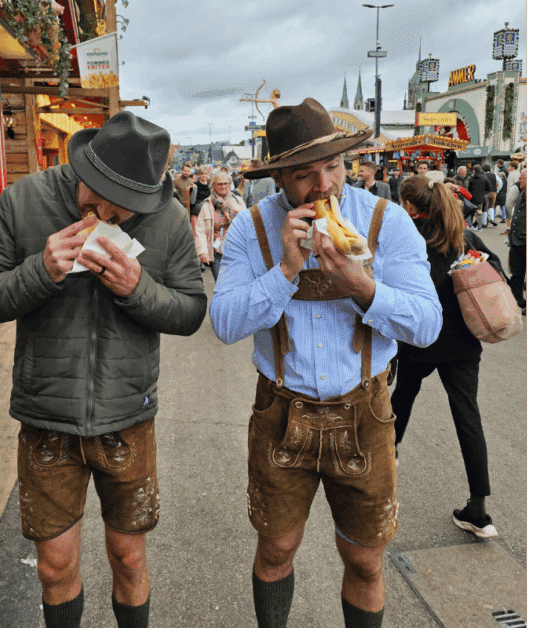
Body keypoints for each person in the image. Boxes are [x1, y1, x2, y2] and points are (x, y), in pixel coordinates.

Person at [0, 111, 208, 628]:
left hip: (128, 419)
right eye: (99, 195)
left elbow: (190, 311)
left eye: (125, 207)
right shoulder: (25, 201)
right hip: (47, 418)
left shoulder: (168, 219)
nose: (109, 213)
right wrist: (38, 272)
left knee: (129, 558)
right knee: (55, 566)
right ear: (83, 165)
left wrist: (139, 290)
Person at [209, 98, 442, 628]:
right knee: (275, 551)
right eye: (304, 175)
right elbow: (223, 323)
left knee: (364, 559)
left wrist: (365, 289)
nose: (324, 186)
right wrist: (286, 271)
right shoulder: (253, 229)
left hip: (365, 411)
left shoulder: (386, 222)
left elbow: (428, 325)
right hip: (280, 411)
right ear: (279, 180)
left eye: (333, 167)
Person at [390, 170, 508, 540]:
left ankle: (380, 483)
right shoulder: (464, 237)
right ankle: (480, 510)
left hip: (419, 344)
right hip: (463, 346)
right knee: (468, 418)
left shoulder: (407, 242)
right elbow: (498, 275)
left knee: (399, 404)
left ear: (408, 205)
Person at [195, 171, 247, 280]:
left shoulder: (238, 202)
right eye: (220, 184)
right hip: (217, 251)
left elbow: (246, 224)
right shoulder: (207, 205)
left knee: (236, 283)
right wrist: (203, 251)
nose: (223, 186)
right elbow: (200, 230)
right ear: (213, 185)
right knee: (220, 284)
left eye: (226, 183)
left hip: (236, 251)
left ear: (230, 184)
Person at [508, 168, 527, 315]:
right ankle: (518, 302)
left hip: (525, 240)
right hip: (516, 240)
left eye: (522, 178)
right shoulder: (522, 193)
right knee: (516, 274)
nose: (519, 180)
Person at [466, 165, 490, 232]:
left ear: (474, 170)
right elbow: (489, 188)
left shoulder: (470, 178)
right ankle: (479, 227)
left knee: (470, 211)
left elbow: (467, 187)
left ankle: (470, 225)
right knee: (479, 211)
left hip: (471, 197)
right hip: (480, 197)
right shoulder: (485, 178)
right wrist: (483, 192)